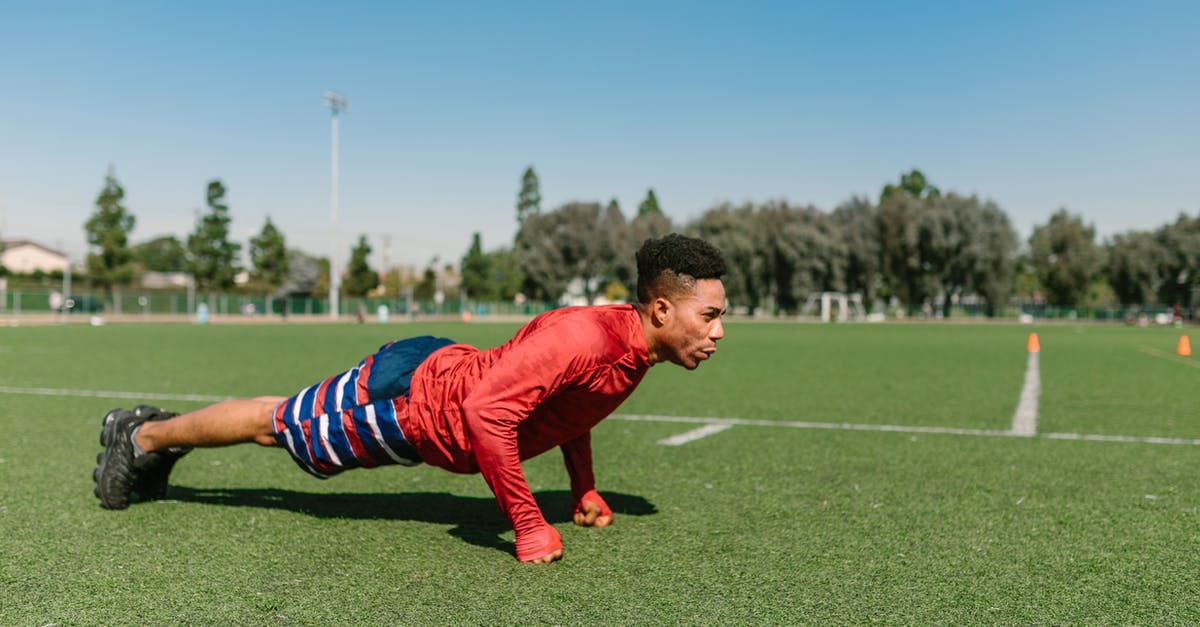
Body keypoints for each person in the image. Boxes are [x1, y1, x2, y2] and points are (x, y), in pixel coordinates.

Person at [93, 233, 727, 563]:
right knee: (278, 425)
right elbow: (485, 413)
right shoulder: (585, 336)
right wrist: (528, 524)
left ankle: (155, 437)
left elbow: (569, 411)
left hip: (428, 383)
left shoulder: (634, 349)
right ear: (663, 308)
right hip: (410, 397)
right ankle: (141, 435)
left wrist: (583, 488)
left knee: (283, 424)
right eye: (711, 315)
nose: (719, 332)